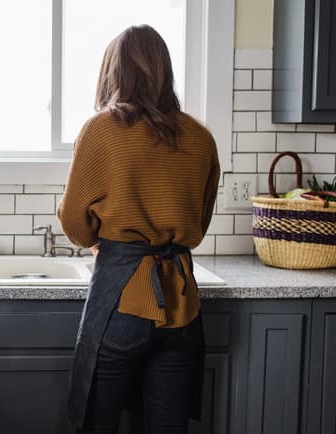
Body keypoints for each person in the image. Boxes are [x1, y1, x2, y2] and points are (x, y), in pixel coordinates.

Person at [57, 25, 220, 434]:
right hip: (182, 309)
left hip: (122, 302)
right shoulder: (201, 138)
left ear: (115, 72)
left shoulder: (102, 130)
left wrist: (103, 239)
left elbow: (75, 225)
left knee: (98, 422)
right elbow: (197, 227)